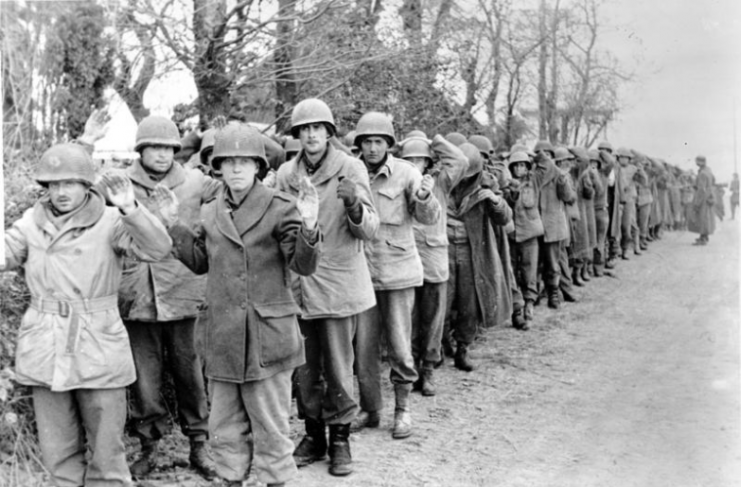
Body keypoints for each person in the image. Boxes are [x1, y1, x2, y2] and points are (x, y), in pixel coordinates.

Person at [2, 142, 172, 487]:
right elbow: (6, 251)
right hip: (46, 344)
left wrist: (131, 209)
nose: (60, 192)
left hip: (97, 343)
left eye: (69, 183)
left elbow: (158, 247)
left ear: (86, 185)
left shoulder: (111, 220)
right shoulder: (31, 223)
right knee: (58, 456)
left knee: (107, 457)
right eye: (53, 184)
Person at [161, 123, 321, 487]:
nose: (235, 169)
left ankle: (275, 481)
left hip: (267, 337)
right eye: (228, 161)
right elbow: (201, 262)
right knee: (225, 428)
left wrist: (310, 225)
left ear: (258, 167)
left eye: (244, 162)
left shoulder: (280, 208)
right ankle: (232, 480)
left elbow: (303, 265)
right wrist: (173, 223)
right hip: (222, 337)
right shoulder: (209, 211)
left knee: (270, 426)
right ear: (217, 167)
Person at [277, 99, 378, 477]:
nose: (312, 134)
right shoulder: (287, 173)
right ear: (298, 135)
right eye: (305, 129)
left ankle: (340, 439)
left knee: (339, 366)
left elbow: (370, 229)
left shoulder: (350, 168)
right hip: (300, 286)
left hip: (339, 284)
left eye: (318, 128)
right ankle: (313, 434)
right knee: (305, 368)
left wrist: (354, 206)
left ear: (329, 132)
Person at [120, 115, 220, 479]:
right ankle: (150, 446)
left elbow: (234, 192)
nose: (161, 154)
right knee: (144, 377)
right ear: (141, 150)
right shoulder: (121, 184)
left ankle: (199, 443)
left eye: (168, 148)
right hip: (138, 294)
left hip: (184, 291)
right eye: (154, 147)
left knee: (191, 372)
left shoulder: (194, 181)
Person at [353, 112, 440, 440]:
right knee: (364, 349)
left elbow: (429, 217)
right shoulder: (352, 171)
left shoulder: (406, 173)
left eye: (379, 141)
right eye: (366, 141)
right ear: (359, 144)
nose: (372, 148)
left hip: (399, 273)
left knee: (401, 347)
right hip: (361, 275)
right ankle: (370, 409)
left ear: (389, 144)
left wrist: (424, 197)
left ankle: (402, 409)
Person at [399, 133, 468, 395]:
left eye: (420, 159)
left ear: (428, 162)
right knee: (409, 320)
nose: (415, 164)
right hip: (405, 260)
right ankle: (411, 370)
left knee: (433, 320)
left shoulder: (440, 181)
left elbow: (460, 160)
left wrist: (433, 140)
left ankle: (428, 370)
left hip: (434, 262)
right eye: (409, 159)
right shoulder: (398, 180)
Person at [445, 143, 513, 369]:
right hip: (442, 249)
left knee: (469, 303)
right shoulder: (441, 180)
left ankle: (463, 348)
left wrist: (495, 200)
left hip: (472, 250)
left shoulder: (487, 183)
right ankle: (440, 346)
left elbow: (504, 218)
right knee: (440, 303)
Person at [532, 141, 575, 309]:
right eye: (542, 156)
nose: (546, 161)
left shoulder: (558, 174)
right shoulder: (533, 174)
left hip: (552, 225)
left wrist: (563, 179)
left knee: (552, 262)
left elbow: (569, 197)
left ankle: (553, 293)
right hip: (535, 225)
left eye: (548, 156)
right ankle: (535, 292)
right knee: (535, 262)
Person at [504, 151, 544, 328]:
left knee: (529, 270)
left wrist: (537, 155)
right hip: (511, 235)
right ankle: (516, 310)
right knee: (512, 272)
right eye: (516, 165)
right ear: (511, 167)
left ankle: (529, 302)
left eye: (523, 165)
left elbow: (548, 167)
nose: (519, 168)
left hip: (530, 234)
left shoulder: (534, 180)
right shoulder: (506, 183)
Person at [689, 155, 716, 245]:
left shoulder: (702, 173)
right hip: (709, 196)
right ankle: (704, 236)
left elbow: (701, 189)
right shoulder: (709, 171)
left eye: (697, 161)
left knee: (702, 217)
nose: (696, 163)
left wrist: (697, 202)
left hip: (703, 198)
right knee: (706, 217)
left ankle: (703, 239)